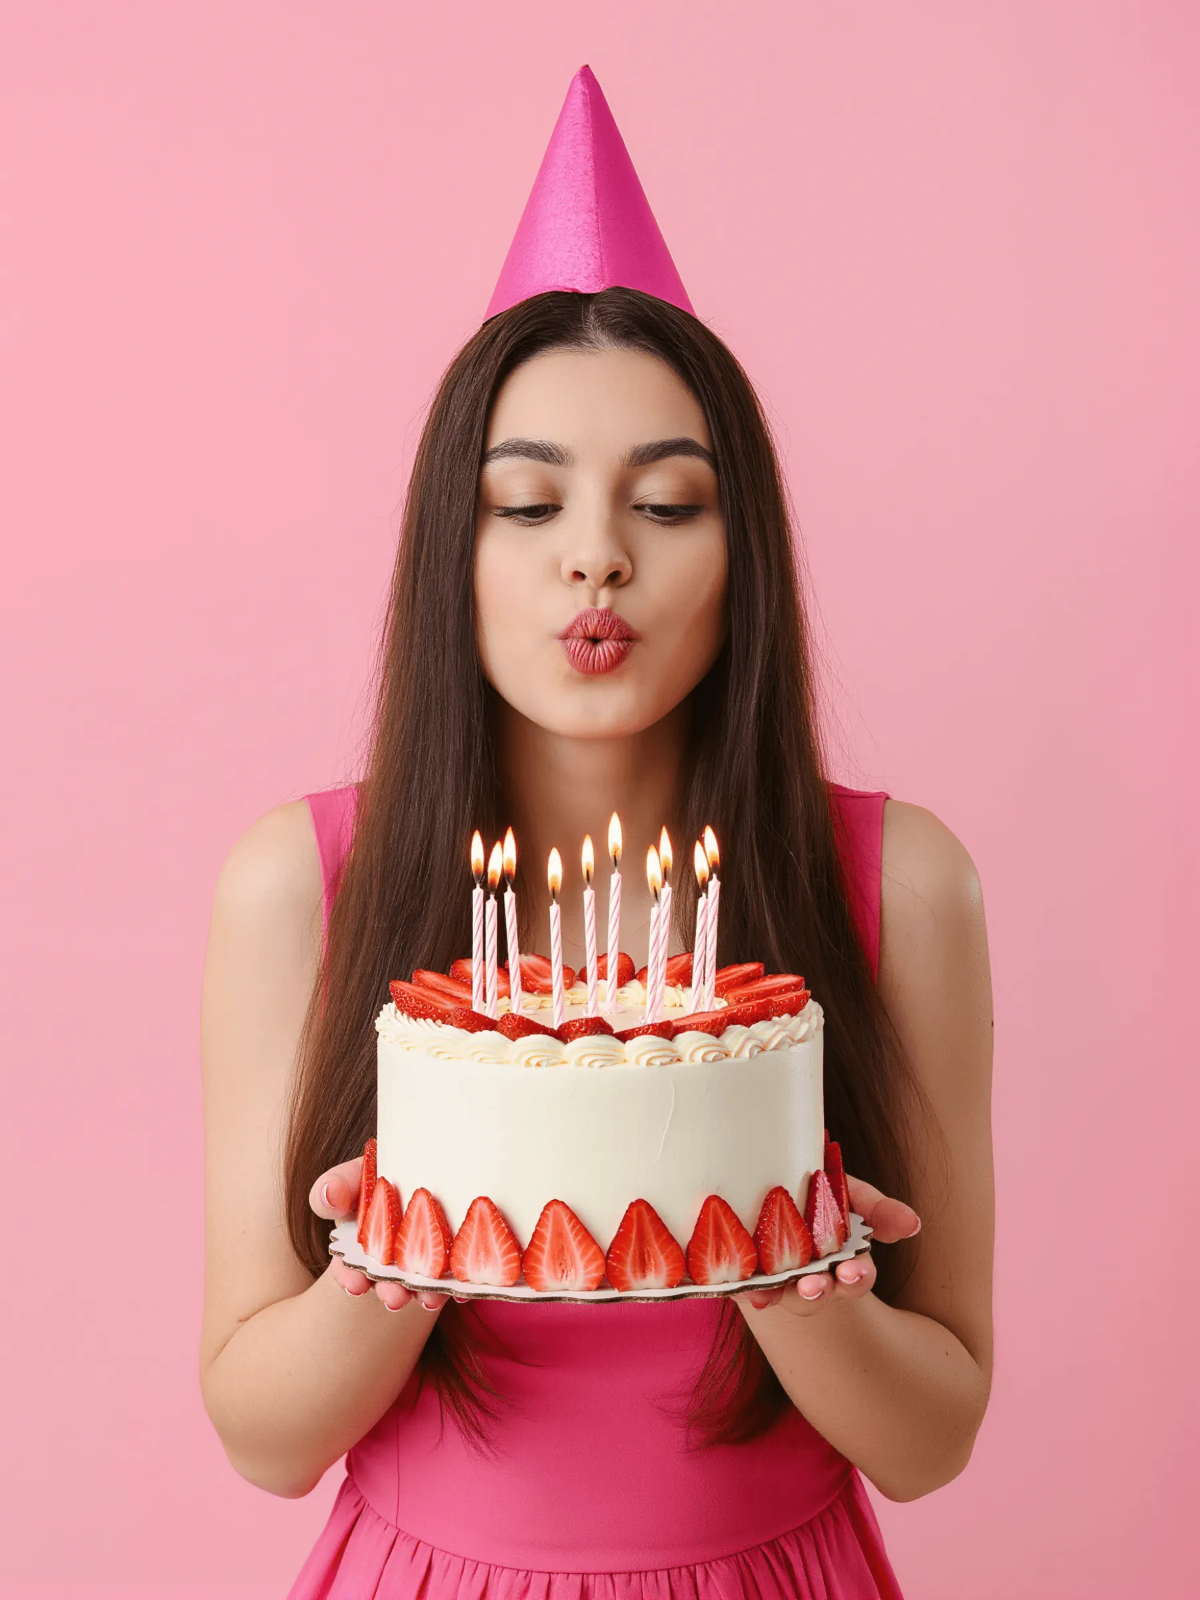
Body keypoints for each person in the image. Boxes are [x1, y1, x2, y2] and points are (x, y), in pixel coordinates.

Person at [199, 69, 993, 1600]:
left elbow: (932, 1434)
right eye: (528, 504)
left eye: (670, 505)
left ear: (740, 549)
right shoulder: (298, 887)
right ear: (457, 546)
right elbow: (261, 1432)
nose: (598, 564)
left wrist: (792, 1264)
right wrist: (400, 1256)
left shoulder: (903, 884)